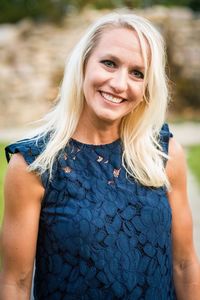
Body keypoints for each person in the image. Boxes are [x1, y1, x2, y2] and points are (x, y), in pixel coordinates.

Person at [0, 11, 200, 300]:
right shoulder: (33, 165)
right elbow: (15, 283)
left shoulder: (164, 154)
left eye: (137, 73)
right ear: (83, 64)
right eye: (109, 63)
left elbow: (184, 265)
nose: (119, 84)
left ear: (147, 87)